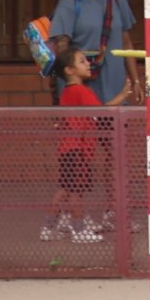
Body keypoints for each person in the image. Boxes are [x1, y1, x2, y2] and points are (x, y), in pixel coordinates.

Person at [48, 42, 113, 246]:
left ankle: (49, 227)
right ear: (70, 70)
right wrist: (123, 94)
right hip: (77, 149)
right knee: (74, 191)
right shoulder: (80, 91)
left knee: (65, 189)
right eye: (82, 61)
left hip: (70, 149)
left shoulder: (68, 91)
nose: (88, 64)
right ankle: (78, 229)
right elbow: (101, 111)